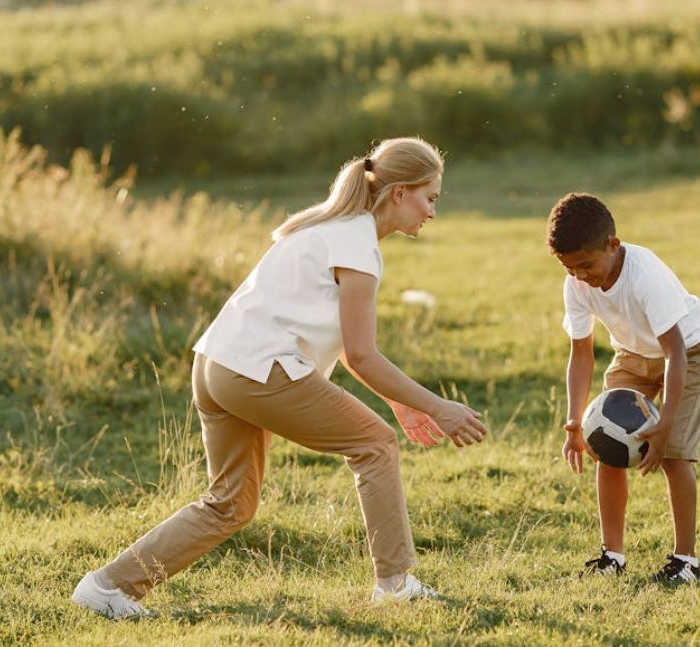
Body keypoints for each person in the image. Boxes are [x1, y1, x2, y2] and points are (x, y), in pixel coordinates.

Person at [72, 137, 489, 619]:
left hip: (216, 367)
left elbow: (356, 356)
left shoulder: (328, 226)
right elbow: (363, 353)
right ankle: (395, 584)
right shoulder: (357, 246)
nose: (432, 212)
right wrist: (439, 406)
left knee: (230, 504)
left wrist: (401, 401)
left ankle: (107, 587)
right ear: (399, 193)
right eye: (430, 198)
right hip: (258, 371)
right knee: (376, 444)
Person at [548, 192, 700, 584]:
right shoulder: (575, 284)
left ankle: (686, 562)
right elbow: (581, 353)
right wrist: (575, 422)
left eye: (586, 265)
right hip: (632, 355)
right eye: (570, 269)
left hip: (687, 349)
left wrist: (666, 421)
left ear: (613, 245)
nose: (580, 276)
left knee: (674, 454)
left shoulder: (644, 275)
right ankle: (612, 556)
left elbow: (675, 352)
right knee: (604, 445)